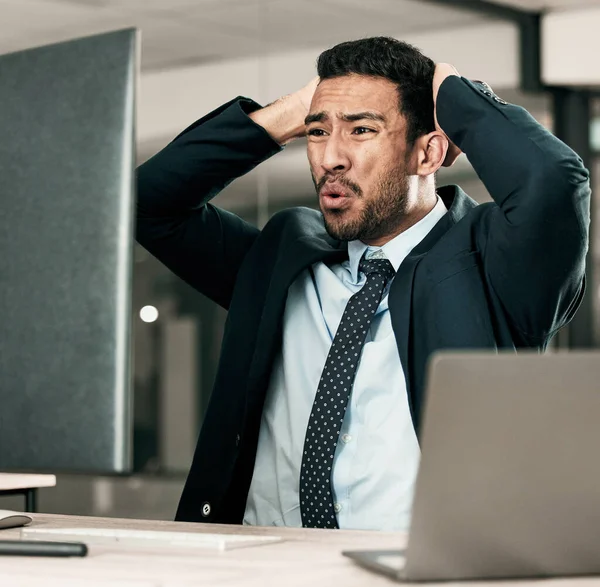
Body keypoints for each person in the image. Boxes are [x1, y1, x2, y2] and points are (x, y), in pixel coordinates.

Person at [136, 37, 590, 531]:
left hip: (414, 573)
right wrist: (290, 113)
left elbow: (552, 183)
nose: (331, 156)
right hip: (259, 564)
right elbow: (146, 204)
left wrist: (454, 93)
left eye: (362, 130)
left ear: (428, 154)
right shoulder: (281, 258)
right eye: (318, 132)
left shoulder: (492, 267)